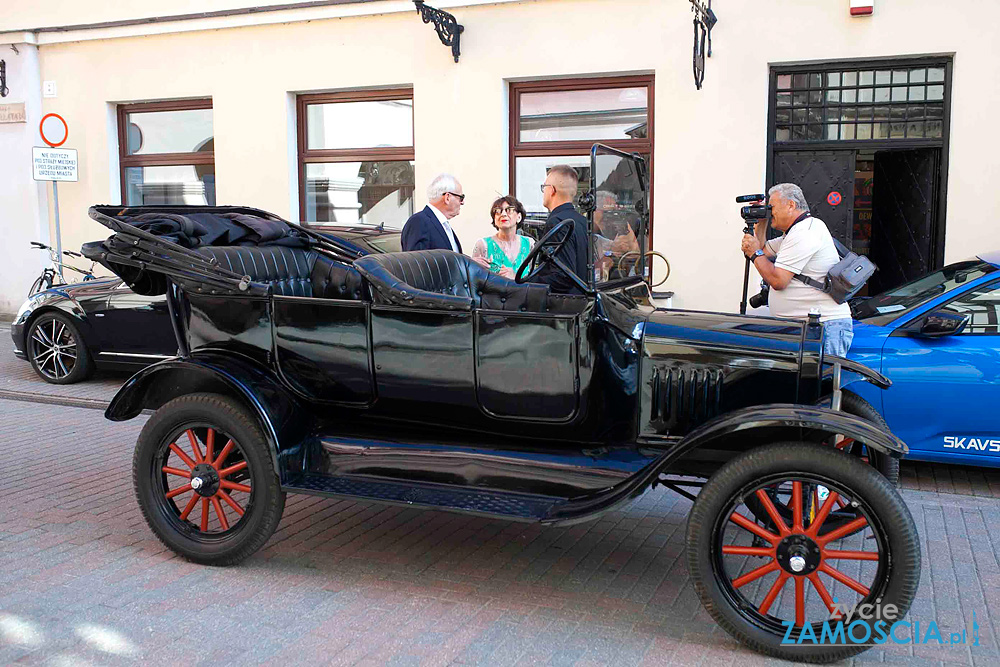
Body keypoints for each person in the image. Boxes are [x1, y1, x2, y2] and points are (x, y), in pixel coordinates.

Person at [740, 183, 854, 356]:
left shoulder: (805, 232)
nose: (771, 212)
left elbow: (778, 280)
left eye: (772, 207)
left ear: (791, 205)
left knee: (820, 382)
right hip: (806, 326)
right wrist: (761, 221)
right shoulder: (795, 233)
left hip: (822, 327)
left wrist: (754, 253)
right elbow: (762, 251)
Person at [533, 165, 589, 294]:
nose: (544, 192)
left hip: (563, 306)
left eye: (544, 187)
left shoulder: (557, 222)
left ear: (552, 190)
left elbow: (562, 277)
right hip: (583, 302)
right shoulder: (583, 221)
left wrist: (527, 282)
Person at [472, 196, 534, 280]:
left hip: (523, 292)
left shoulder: (529, 244)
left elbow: (534, 278)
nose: (503, 214)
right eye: (498, 211)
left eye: (509, 210)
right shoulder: (483, 245)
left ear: (519, 217)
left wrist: (514, 277)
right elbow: (474, 279)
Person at [401, 174, 464, 252]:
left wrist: (469, 262)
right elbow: (416, 262)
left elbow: (452, 259)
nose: (462, 202)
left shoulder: (441, 224)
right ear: (447, 197)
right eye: (461, 198)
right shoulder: (418, 222)